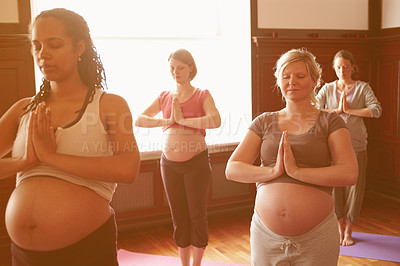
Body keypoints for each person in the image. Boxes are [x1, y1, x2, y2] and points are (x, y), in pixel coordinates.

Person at [0, 8, 140, 266]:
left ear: (79, 48)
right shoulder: (23, 109)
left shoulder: (109, 105)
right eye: (36, 46)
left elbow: (128, 168)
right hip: (24, 256)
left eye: (54, 44)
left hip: (86, 251)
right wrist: (25, 162)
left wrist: (51, 157)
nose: (43, 54)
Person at [225, 48, 358, 266]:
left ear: (315, 81)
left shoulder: (331, 122)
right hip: (266, 237)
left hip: (316, 237)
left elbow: (349, 173)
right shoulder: (263, 122)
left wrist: (297, 171)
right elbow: (232, 169)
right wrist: (273, 171)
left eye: (300, 76)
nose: (292, 82)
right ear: (278, 81)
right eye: (285, 77)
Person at [135, 48, 221, 266]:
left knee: (196, 214)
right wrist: (167, 121)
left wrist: (183, 120)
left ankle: (196, 264)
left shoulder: (202, 94)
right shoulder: (164, 96)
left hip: (196, 163)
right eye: (172, 68)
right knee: (179, 217)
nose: (175, 72)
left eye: (180, 67)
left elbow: (215, 120)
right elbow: (140, 120)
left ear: (191, 68)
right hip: (169, 165)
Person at [316, 50, 382, 246]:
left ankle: (349, 230)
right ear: (334, 69)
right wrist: (336, 111)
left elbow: (376, 110)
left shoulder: (362, 88)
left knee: (355, 187)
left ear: (352, 67)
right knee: (336, 188)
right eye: (338, 67)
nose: (342, 70)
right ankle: (339, 228)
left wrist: (350, 111)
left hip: (357, 145)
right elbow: (314, 109)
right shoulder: (327, 89)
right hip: (332, 147)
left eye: (345, 66)